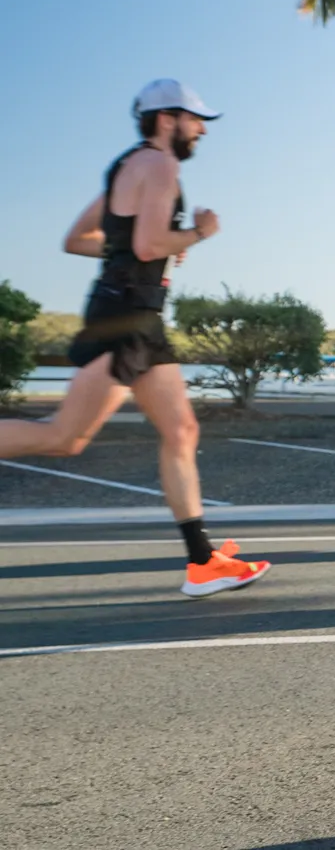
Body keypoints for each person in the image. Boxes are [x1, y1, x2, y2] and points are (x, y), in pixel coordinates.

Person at [0, 80, 270, 597]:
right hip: (125, 317)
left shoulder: (126, 167)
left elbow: (80, 239)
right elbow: (147, 244)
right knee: (65, 437)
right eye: (196, 120)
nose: (201, 131)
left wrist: (148, 247)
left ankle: (202, 562)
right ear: (167, 118)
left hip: (140, 317)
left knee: (182, 430)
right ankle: (201, 562)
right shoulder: (160, 165)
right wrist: (195, 234)